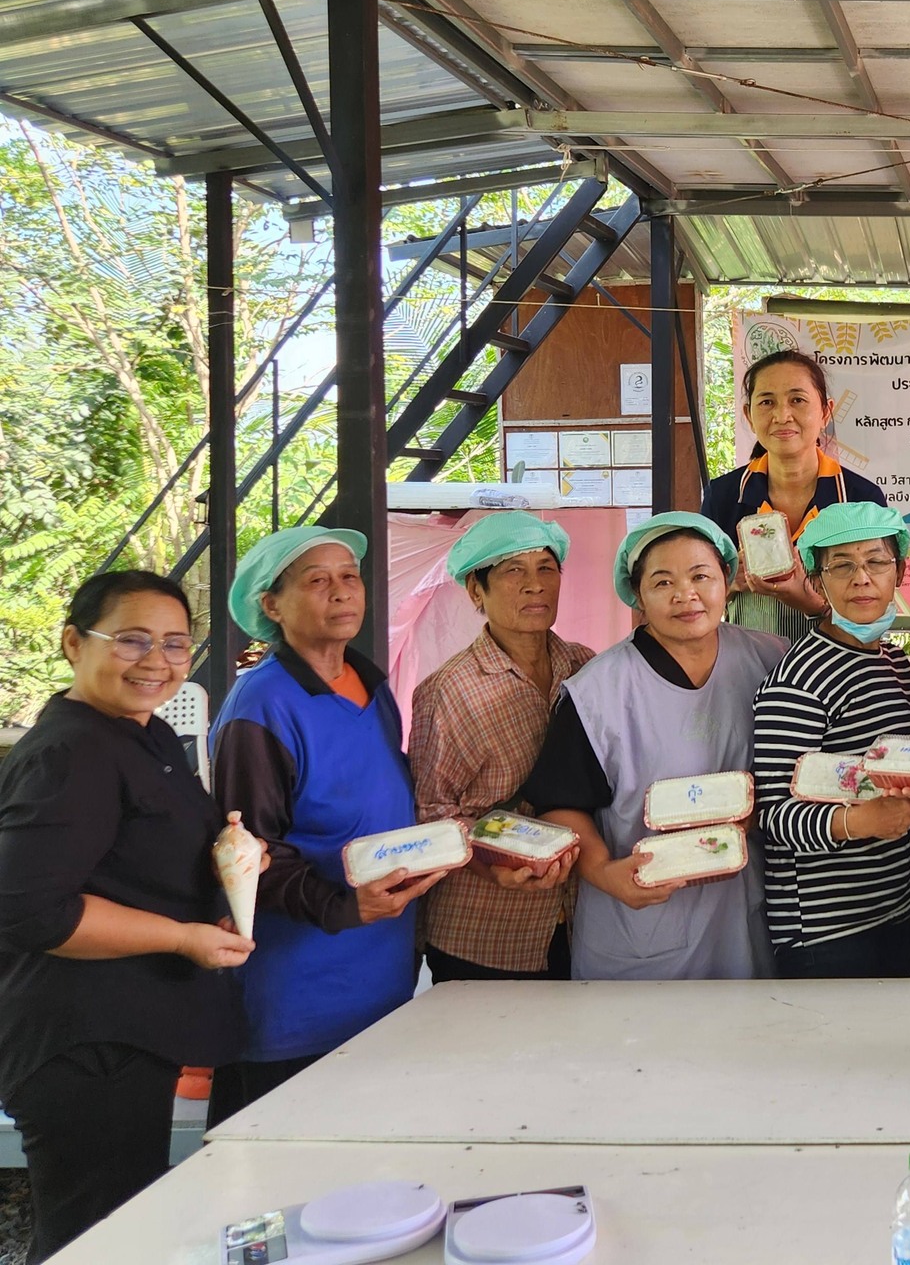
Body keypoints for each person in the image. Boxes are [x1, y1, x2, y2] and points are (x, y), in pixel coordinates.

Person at [0, 573, 253, 1262]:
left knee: (127, 1227)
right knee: (94, 1240)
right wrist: (181, 936)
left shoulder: (138, 734)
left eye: (176, 644)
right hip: (83, 1046)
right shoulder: (69, 753)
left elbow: (135, 859)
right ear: (73, 643)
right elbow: (34, 911)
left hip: (129, 1036)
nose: (157, 661)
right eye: (132, 639)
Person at [208, 527, 446, 1124]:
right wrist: (344, 906)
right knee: (281, 1179)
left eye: (350, 577)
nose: (342, 592)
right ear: (271, 605)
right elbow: (248, 853)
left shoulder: (372, 684)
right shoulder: (262, 706)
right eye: (317, 581)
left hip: (381, 976)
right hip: (297, 992)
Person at [522, 512, 785, 981]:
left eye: (701, 576)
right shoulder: (598, 691)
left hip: (741, 909)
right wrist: (605, 872)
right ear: (637, 594)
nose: (686, 595)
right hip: (642, 918)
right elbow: (559, 803)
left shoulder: (772, 660)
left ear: (726, 580)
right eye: (663, 582)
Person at [411, 513, 591, 983]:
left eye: (546, 568)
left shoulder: (584, 667)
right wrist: (492, 866)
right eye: (513, 571)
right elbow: (431, 812)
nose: (535, 585)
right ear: (476, 591)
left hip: (575, 919)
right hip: (485, 926)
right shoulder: (448, 691)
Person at [751, 502, 910, 978]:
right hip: (823, 932)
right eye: (841, 565)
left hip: (894, 905)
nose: (861, 578)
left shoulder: (893, 665)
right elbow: (772, 815)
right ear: (817, 581)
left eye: (876, 561)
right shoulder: (798, 680)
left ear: (900, 571)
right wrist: (861, 821)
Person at [700, 349, 888, 639]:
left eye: (797, 400)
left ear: (826, 412)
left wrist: (808, 601)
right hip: (748, 669)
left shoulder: (861, 499)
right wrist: (727, 581)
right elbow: (696, 598)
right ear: (749, 416)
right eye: (767, 402)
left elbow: (876, 612)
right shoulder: (724, 496)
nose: (782, 415)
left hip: (839, 663)